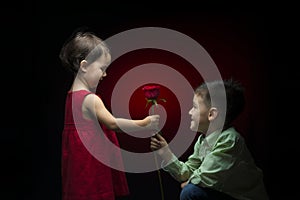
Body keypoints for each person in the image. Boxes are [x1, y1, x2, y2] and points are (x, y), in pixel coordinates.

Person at [59, 28, 160, 200]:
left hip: (76, 164)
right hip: (90, 163)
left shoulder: (70, 96)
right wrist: (144, 123)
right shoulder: (90, 99)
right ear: (84, 66)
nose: (105, 74)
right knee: (94, 193)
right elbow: (113, 124)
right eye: (102, 68)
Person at [150, 79, 269, 200]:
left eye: (195, 107)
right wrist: (166, 153)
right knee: (191, 188)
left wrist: (189, 182)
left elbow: (205, 176)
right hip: (222, 194)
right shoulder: (203, 140)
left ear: (211, 114)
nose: (190, 112)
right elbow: (187, 172)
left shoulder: (230, 140)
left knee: (190, 192)